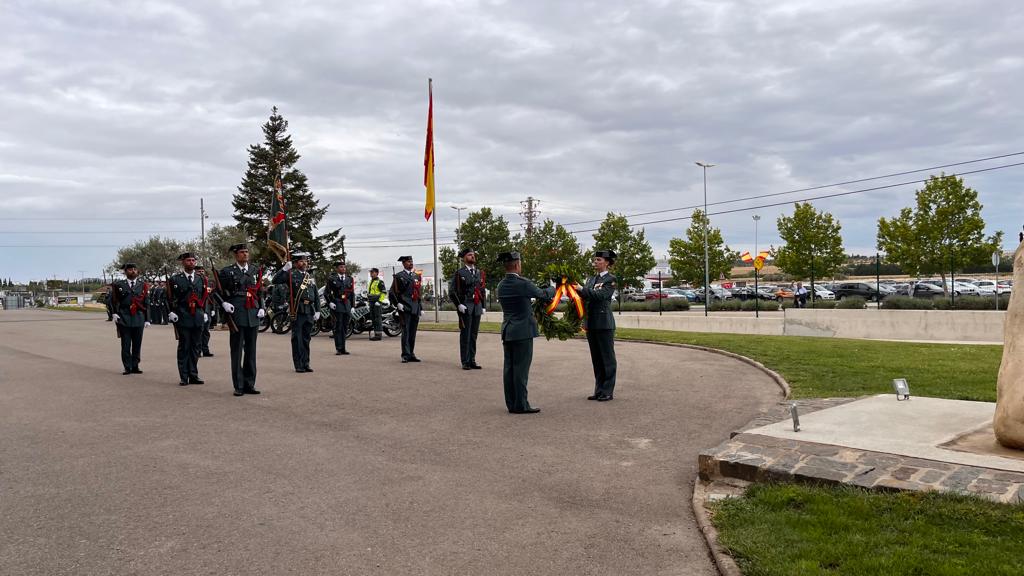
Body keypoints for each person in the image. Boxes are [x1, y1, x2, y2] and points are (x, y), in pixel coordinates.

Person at [496, 251, 555, 414]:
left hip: (508, 330)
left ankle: (511, 403)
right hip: (522, 332)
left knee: (509, 369)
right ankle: (521, 404)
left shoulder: (501, 285)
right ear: (517, 265)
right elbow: (543, 295)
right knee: (521, 370)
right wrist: (552, 287)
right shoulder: (522, 283)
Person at [218, 243, 265, 396]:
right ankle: (238, 385)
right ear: (236, 255)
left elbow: (260, 291)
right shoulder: (227, 272)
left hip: (253, 312)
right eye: (242, 252)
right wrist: (224, 303)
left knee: (251, 351)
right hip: (237, 311)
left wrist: (262, 306)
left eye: (246, 252)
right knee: (237, 350)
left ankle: (249, 384)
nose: (245, 254)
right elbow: (217, 292)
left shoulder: (255, 270)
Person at [578, 249, 618, 401]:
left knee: (607, 359)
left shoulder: (610, 279)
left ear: (607, 262)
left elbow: (601, 296)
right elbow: (584, 295)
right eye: (595, 260)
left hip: (604, 323)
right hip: (591, 323)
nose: (595, 262)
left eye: (599, 260)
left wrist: (582, 289)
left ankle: (607, 391)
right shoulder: (591, 279)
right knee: (597, 359)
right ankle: (599, 390)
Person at [274, 252, 321, 373]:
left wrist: (318, 310)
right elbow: (275, 280)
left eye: (305, 261)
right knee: (297, 339)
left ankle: (306, 363)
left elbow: (315, 294)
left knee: (306, 338)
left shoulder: (309, 276)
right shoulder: (291, 275)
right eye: (301, 261)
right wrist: (284, 269)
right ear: (295, 263)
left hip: (309, 310)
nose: (304, 263)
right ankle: (298, 364)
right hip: (297, 309)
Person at [167, 252, 208, 386]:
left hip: (197, 315)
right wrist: (171, 312)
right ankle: (184, 376)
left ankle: (193, 374)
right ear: (183, 262)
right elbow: (169, 298)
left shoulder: (201, 278)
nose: (191, 262)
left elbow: (204, 297)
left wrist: (205, 312)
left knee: (196, 347)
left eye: (193, 260)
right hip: (183, 315)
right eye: (188, 260)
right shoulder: (175, 279)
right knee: (184, 346)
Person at [107, 263, 150, 375]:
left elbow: (146, 302)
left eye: (135, 269)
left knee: (137, 344)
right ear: (125, 272)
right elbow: (113, 300)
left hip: (139, 317)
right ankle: (127, 366)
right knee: (126, 344)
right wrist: (114, 313)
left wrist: (147, 319)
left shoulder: (142, 285)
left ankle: (135, 365)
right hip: (124, 317)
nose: (133, 271)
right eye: (130, 269)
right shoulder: (118, 285)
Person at [449, 247, 486, 370]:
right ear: (464, 258)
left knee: (473, 335)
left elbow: (482, 290)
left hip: (477, 306)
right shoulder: (460, 273)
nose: (473, 256)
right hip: (466, 306)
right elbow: (452, 291)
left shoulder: (479, 272)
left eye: (473, 254)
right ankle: (465, 361)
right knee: (466, 335)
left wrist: (483, 305)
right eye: (470, 255)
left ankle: (472, 360)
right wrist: (459, 304)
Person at [389, 255, 423, 363]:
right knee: (406, 331)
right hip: (405, 307)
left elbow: (418, 292)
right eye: (408, 261)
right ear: (403, 263)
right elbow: (392, 292)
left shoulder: (416, 276)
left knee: (413, 332)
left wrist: (420, 307)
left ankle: (411, 353)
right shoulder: (399, 276)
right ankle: (405, 354)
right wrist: (397, 303)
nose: (410, 263)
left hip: (415, 307)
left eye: (411, 261)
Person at [325, 260, 354, 355]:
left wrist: (353, 306)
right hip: (337, 304)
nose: (343, 268)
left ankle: (343, 348)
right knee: (338, 327)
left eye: (344, 267)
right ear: (337, 269)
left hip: (347, 304)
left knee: (345, 327)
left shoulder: (349, 279)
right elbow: (327, 293)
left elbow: (352, 293)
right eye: (341, 267)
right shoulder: (332, 279)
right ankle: (338, 348)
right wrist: (330, 302)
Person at [195, 265, 214, 357]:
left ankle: (205, 350)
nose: (201, 273)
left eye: (202, 271)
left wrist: (213, 309)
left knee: (206, 332)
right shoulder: (194, 282)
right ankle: (197, 351)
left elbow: (211, 297)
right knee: (198, 332)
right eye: (199, 272)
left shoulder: (208, 283)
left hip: (207, 310)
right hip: (198, 310)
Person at [367, 268, 387, 341]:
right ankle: (376, 334)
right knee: (373, 318)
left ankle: (378, 335)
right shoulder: (371, 282)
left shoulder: (380, 282)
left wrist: (379, 301)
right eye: (371, 272)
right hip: (371, 302)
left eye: (373, 272)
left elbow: (384, 292)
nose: (371, 273)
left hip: (377, 302)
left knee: (377, 318)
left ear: (377, 273)